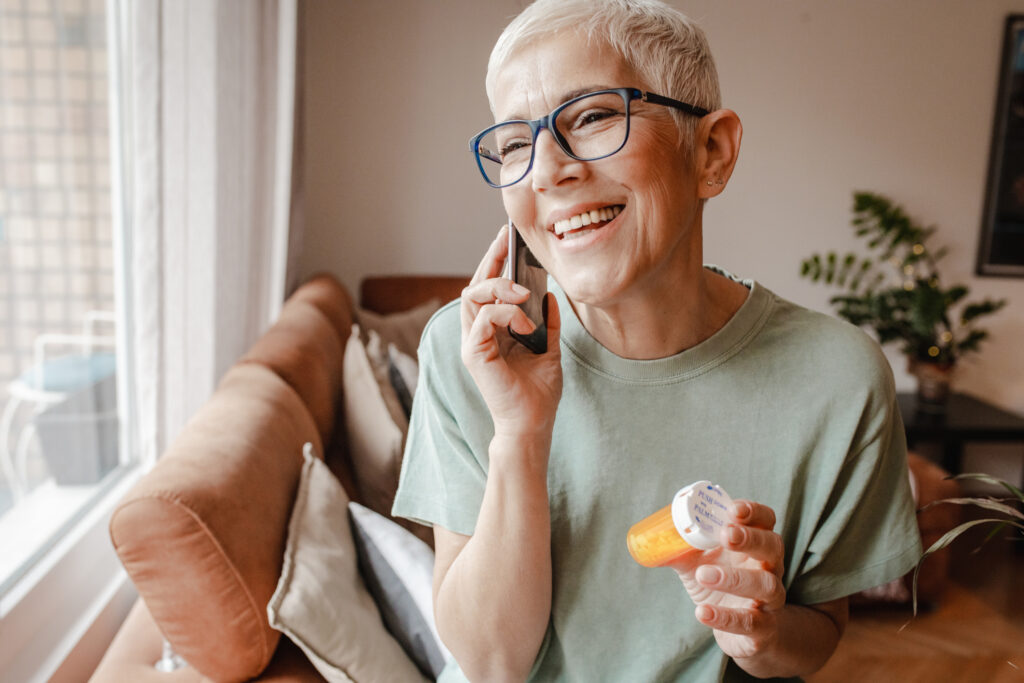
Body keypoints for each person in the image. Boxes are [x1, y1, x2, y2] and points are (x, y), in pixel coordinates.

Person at [393, 1, 921, 680]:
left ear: (711, 151)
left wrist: (759, 630)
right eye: (517, 143)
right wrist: (519, 432)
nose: (547, 171)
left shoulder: (839, 379)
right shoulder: (470, 349)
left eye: (591, 116)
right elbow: (491, 663)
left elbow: (820, 629)